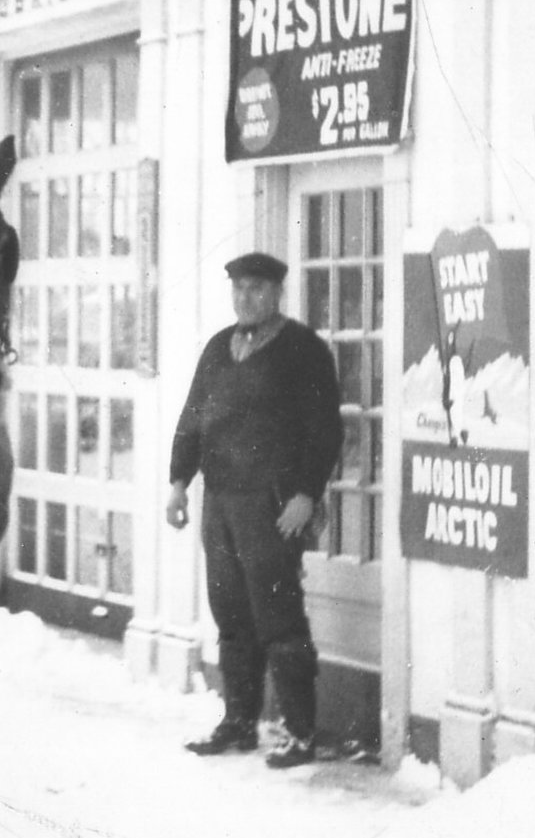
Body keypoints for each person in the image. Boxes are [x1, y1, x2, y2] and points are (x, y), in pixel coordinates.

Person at [165, 251, 342, 769]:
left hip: (271, 506)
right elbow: (193, 418)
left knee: (279, 615)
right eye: (239, 288)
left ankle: (300, 732)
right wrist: (179, 483)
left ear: (277, 293)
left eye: (257, 288)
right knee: (230, 614)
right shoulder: (219, 348)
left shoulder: (303, 349)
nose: (246, 297)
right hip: (218, 501)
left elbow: (325, 428)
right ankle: (238, 722)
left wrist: (306, 494)